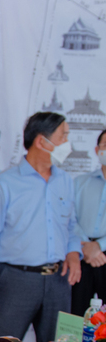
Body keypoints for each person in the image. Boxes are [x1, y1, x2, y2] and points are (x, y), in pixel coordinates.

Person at [0, 111, 83, 342]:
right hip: (15, 280)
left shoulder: (65, 180)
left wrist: (74, 251)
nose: (67, 143)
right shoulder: (4, 183)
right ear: (42, 141)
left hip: (58, 280)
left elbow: (71, 225)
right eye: (63, 136)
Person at [72, 129, 106, 314]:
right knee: (76, 313)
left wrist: (99, 245)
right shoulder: (80, 182)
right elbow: (70, 217)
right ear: (97, 149)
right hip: (81, 253)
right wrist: (87, 246)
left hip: (100, 252)